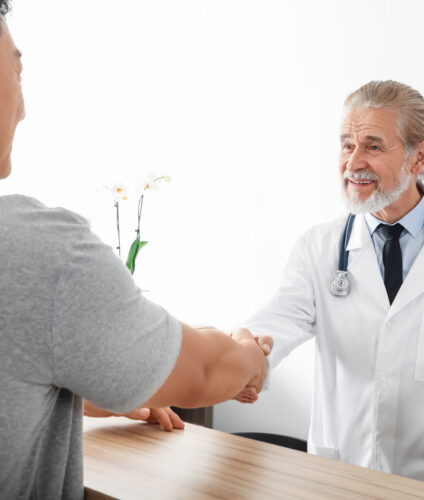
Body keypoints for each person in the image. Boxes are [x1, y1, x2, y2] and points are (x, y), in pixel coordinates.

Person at [0, 4, 272, 499]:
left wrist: (80, 393)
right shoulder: (39, 251)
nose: (24, 106)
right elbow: (210, 370)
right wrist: (250, 353)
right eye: (17, 69)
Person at [233, 80, 424, 499]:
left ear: (420, 155)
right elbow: (278, 320)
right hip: (342, 480)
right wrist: (248, 357)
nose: (353, 162)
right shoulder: (320, 247)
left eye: (373, 147)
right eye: (346, 145)